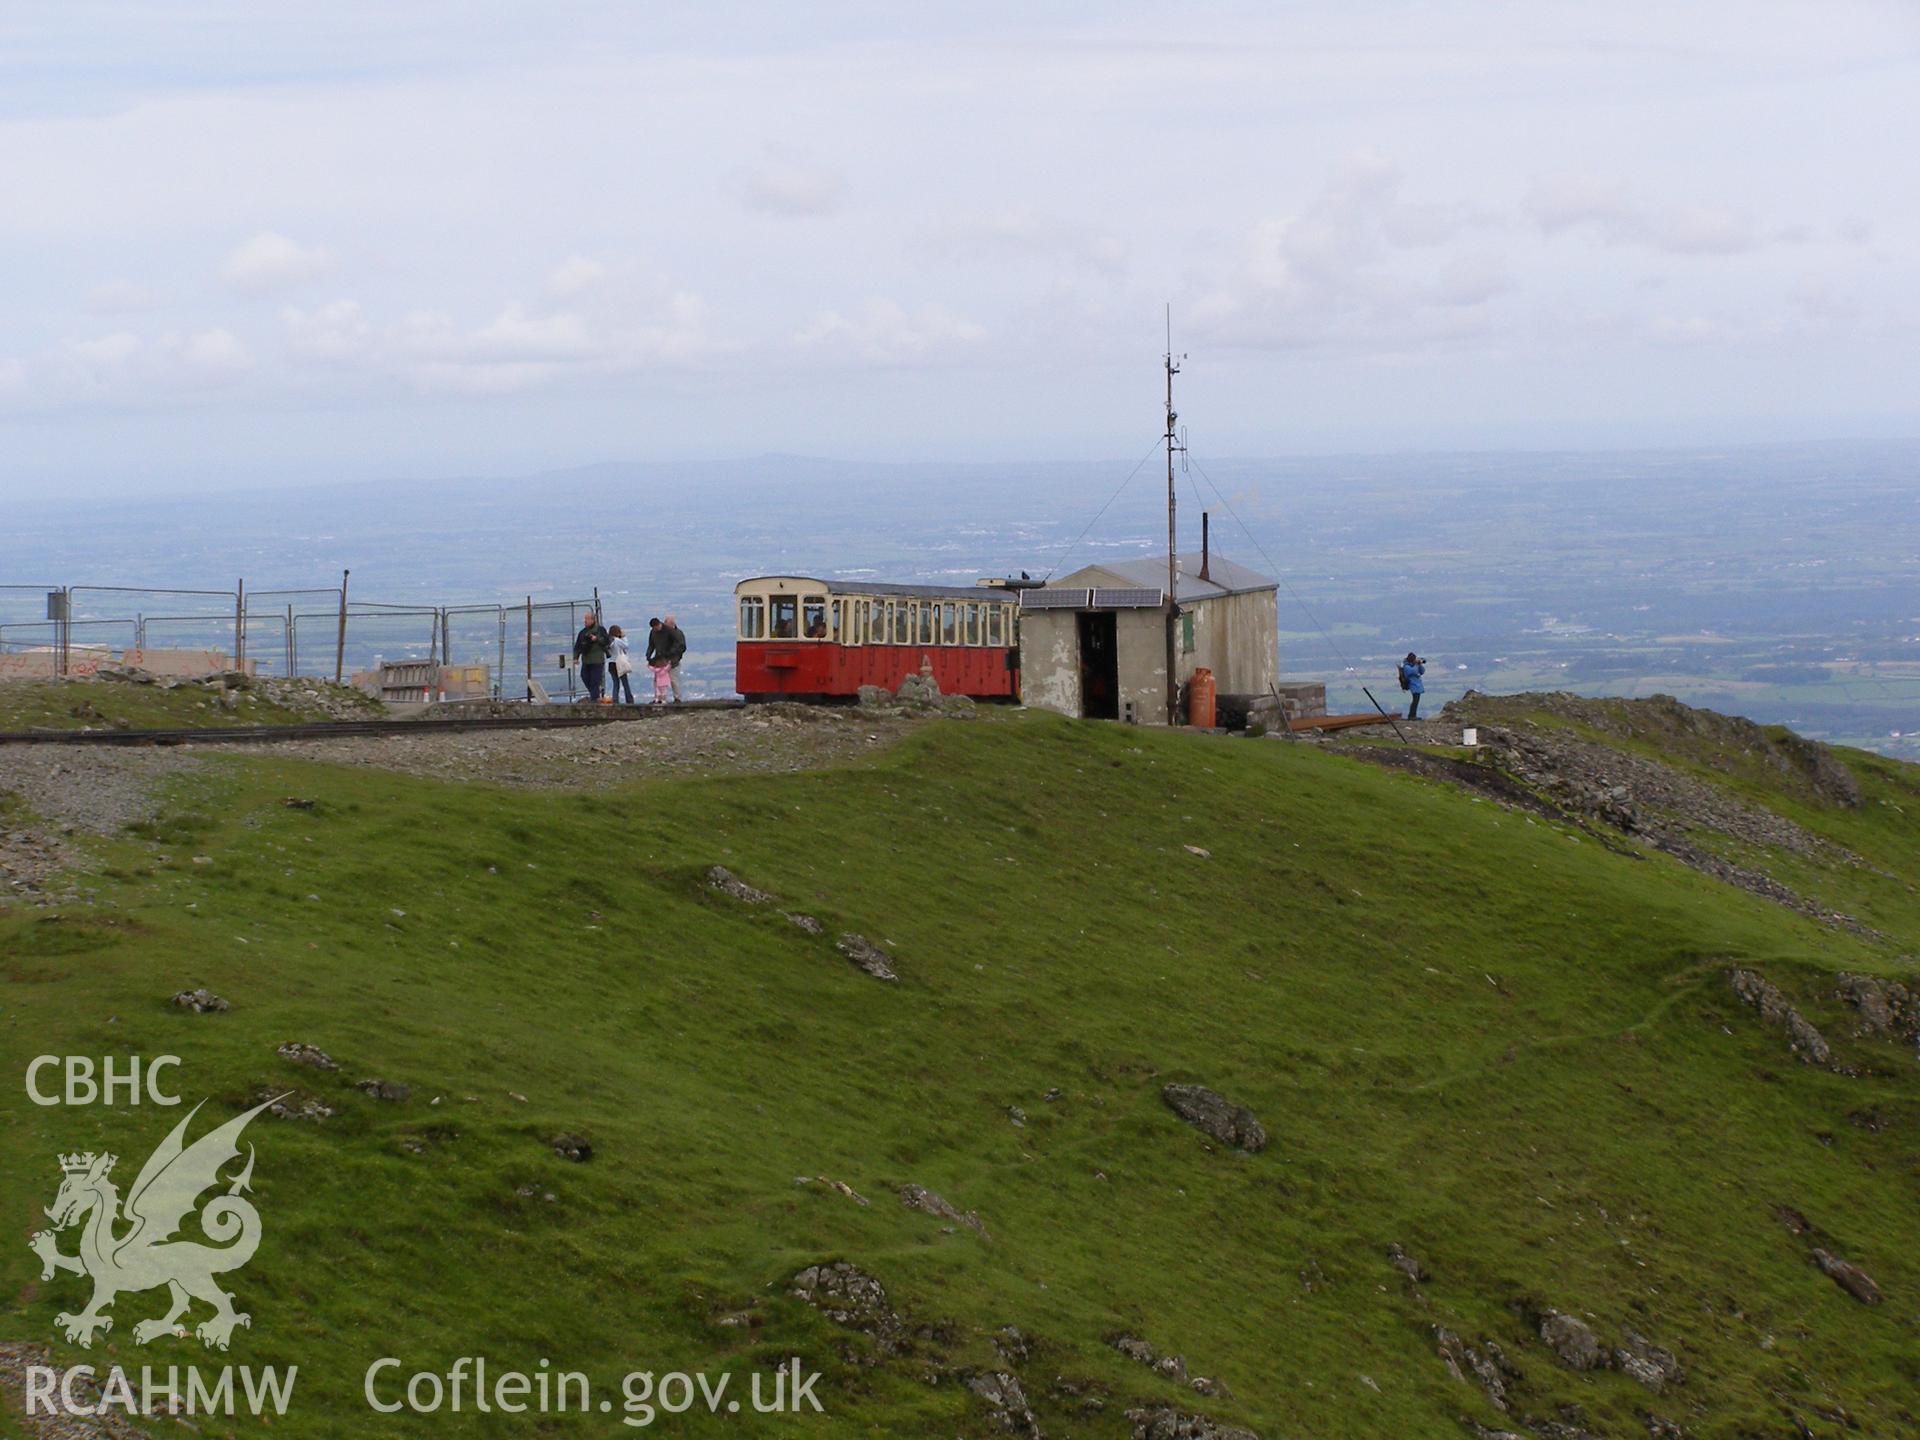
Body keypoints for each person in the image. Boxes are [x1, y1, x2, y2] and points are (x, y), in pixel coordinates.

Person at [573, 612, 611, 703]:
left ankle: (594, 699)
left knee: (595, 680)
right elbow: (578, 646)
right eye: (585, 619)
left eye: (587, 619)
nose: (585, 621)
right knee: (584, 676)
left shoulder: (600, 630)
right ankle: (595, 695)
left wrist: (596, 639)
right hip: (586, 660)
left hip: (597, 660)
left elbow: (606, 641)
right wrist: (576, 657)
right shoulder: (582, 633)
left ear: (593, 620)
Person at [660, 612, 687, 702]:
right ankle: (661, 699)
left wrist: (672, 654)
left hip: (673, 661)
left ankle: (677, 698)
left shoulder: (678, 634)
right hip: (663, 660)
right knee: (660, 681)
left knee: (673, 680)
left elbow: (682, 647)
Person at [607, 624, 636, 704]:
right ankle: (629, 700)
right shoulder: (616, 640)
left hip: (611, 664)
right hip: (619, 663)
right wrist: (624, 637)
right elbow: (626, 646)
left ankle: (615, 700)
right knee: (625, 682)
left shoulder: (608, 641)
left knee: (615, 683)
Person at [1399, 651, 1427, 720]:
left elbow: (1422, 671)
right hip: (1413, 685)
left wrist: (1420, 664)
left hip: (1417, 685)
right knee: (1415, 701)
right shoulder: (1406, 666)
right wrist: (1416, 665)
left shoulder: (1414, 665)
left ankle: (1413, 715)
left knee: (1416, 701)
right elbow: (1412, 671)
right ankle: (1411, 715)